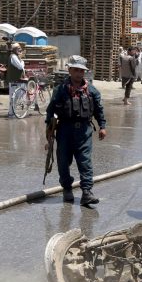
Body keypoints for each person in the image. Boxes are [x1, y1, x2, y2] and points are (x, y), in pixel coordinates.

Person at [45, 55, 107, 206]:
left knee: (85, 162)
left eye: (81, 71)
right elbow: (51, 110)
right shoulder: (60, 90)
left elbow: (99, 110)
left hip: (84, 132)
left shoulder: (92, 91)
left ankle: (87, 192)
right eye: (76, 70)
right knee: (63, 163)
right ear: (70, 70)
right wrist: (49, 130)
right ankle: (67, 188)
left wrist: (102, 126)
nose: (79, 74)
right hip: (64, 130)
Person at [6, 44, 27, 118]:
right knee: (13, 97)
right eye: (18, 49)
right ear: (14, 49)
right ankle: (11, 114)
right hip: (14, 81)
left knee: (16, 97)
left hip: (17, 80)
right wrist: (23, 61)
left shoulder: (16, 57)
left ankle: (12, 113)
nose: (20, 50)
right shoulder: (14, 57)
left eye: (20, 48)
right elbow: (20, 67)